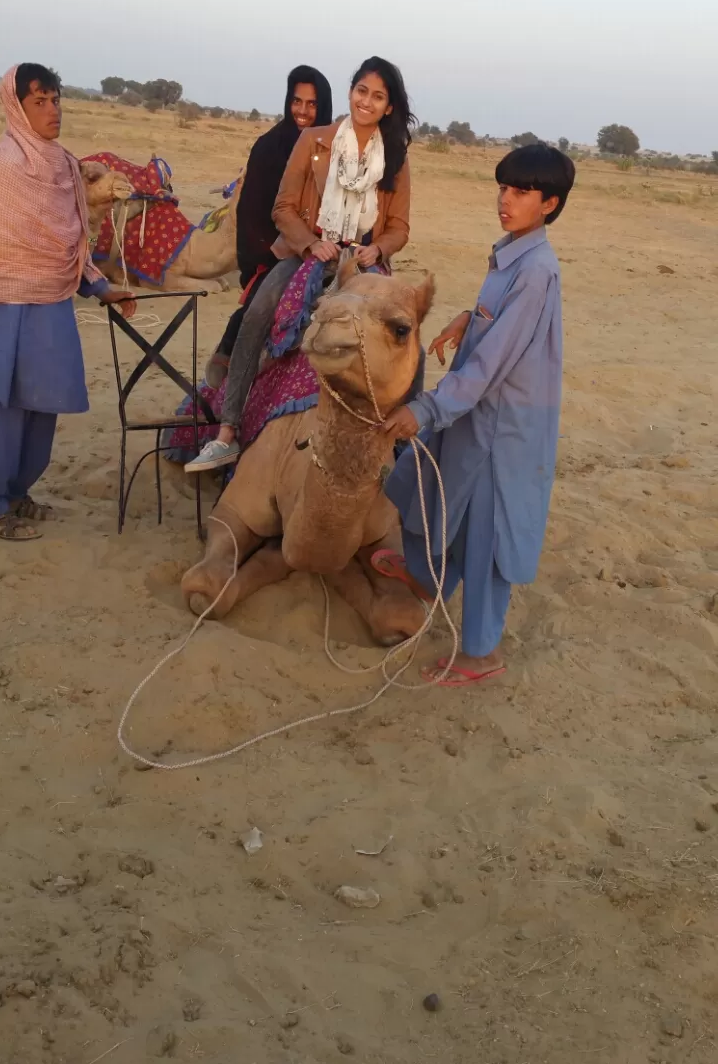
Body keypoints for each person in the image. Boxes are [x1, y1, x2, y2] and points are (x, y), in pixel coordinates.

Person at [377, 144, 576, 685]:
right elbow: (500, 325)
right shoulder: (511, 253)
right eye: (503, 188)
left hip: (502, 425)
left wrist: (426, 407)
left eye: (521, 192)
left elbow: (492, 364)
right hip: (475, 410)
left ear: (549, 204)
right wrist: (469, 316)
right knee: (429, 484)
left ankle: (481, 653)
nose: (505, 201)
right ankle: (427, 578)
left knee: (487, 532)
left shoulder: (536, 271)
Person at [186, 55, 415, 472]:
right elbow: (284, 207)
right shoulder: (314, 141)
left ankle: (398, 442)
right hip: (307, 253)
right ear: (350, 92)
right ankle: (228, 432)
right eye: (361, 91)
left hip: (363, 262)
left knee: (403, 332)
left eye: (377, 96)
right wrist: (310, 244)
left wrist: (378, 250)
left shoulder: (394, 160)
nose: (366, 101)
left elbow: (399, 227)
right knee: (256, 315)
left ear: (389, 107)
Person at [0, 63, 135, 541]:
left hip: (54, 303)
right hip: (7, 303)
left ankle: (18, 493)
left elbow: (71, 242)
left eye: (56, 100)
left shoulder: (64, 166)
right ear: (17, 107)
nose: (52, 110)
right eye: (40, 101)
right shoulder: (4, 166)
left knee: (43, 405)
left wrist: (101, 288)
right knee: (6, 407)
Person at [205, 65, 333, 387]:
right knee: (262, 307)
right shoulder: (269, 147)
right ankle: (232, 389)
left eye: (312, 104)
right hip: (274, 249)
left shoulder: (336, 149)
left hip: (328, 247)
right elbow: (252, 211)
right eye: (296, 101)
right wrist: (271, 255)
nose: (302, 110)